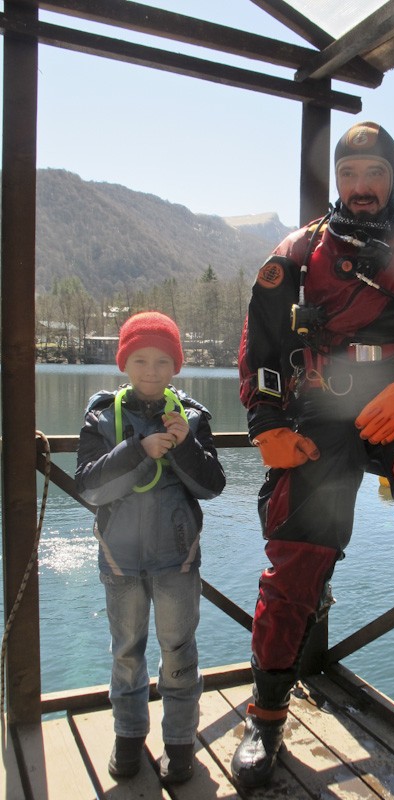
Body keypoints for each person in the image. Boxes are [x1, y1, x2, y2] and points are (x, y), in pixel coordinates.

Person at [233, 121, 394, 788]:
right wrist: (265, 424)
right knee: (298, 549)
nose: (363, 185)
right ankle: (265, 715)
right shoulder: (299, 251)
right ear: (338, 183)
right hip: (325, 409)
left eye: (375, 172)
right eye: (351, 175)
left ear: (392, 177)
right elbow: (261, 343)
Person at [75, 311, 226, 784]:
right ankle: (128, 739)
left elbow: (212, 487)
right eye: (140, 359)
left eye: (163, 361)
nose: (151, 370)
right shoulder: (101, 415)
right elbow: (89, 488)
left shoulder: (193, 417)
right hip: (119, 563)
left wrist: (183, 447)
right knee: (126, 653)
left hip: (178, 561)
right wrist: (139, 450)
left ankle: (180, 747)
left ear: (176, 366)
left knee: (180, 654)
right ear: (124, 362)